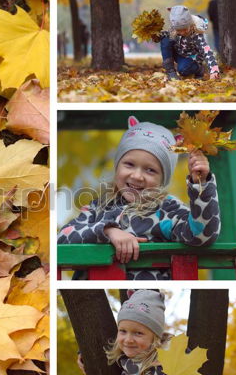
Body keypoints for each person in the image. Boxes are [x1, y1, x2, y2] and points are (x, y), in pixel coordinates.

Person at [57, 116, 220, 280]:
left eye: (150, 170)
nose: (137, 176)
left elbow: (202, 234)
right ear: (117, 166)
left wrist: (201, 185)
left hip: (143, 296)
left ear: (162, 180)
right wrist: (107, 231)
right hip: (94, 292)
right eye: (129, 164)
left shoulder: (168, 210)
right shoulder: (99, 207)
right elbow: (63, 238)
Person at [79, 290, 192, 375]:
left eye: (138, 333)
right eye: (123, 331)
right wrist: (83, 354)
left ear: (154, 338)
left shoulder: (164, 369)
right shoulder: (129, 360)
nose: (128, 340)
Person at [152, 5, 220, 81]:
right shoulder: (174, 29)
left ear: (190, 24)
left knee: (183, 70)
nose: (182, 33)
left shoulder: (196, 34)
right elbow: (166, 35)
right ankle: (171, 72)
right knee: (165, 40)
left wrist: (214, 70)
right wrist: (157, 36)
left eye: (185, 29)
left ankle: (199, 69)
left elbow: (206, 51)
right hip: (179, 53)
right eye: (179, 30)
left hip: (191, 58)